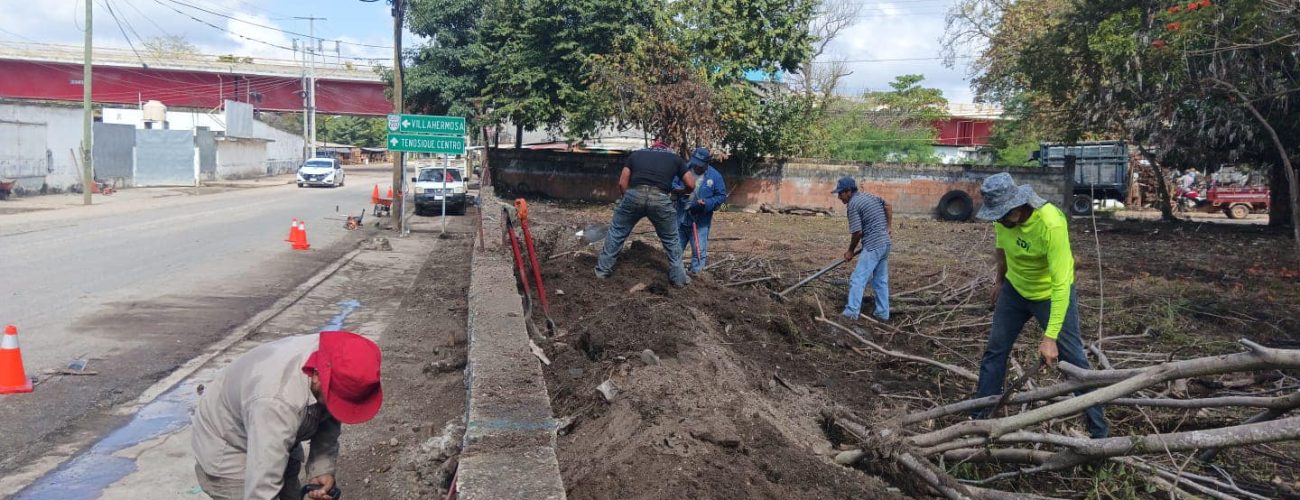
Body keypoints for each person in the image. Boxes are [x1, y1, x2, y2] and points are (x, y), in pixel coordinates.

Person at [972, 173, 1108, 438]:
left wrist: (1050, 337)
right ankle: (981, 418)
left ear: (1019, 205)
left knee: (1075, 360)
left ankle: (1099, 432)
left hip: (1050, 295)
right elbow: (1002, 249)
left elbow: (1061, 285)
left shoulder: (1050, 223)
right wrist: (1000, 281)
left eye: (1003, 215)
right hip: (1015, 290)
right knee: (995, 351)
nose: (999, 220)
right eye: (996, 215)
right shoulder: (1002, 219)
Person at [192, 331, 383, 499]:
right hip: (229, 445)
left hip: (270, 427)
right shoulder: (276, 401)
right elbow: (261, 490)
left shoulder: (339, 356)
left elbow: (330, 415)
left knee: (287, 485)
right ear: (317, 375)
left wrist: (321, 468)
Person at [595, 138, 696, 287]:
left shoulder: (636, 155)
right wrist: (680, 191)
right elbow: (691, 184)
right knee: (671, 240)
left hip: (634, 193)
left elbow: (622, 183)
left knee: (616, 232)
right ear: (666, 148)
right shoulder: (675, 159)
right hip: (661, 198)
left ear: (652, 146)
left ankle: (602, 272)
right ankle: (679, 279)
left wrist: (628, 200)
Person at [833, 176, 892, 322]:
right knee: (880, 281)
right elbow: (888, 206)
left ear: (848, 191)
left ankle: (851, 312)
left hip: (873, 245)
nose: (839, 197)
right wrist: (888, 228)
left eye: (840, 193)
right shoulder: (869, 196)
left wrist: (851, 251)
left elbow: (857, 232)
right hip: (885, 243)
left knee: (857, 279)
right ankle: (883, 313)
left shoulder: (853, 205)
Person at [671, 147, 728, 273]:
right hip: (680, 219)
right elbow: (672, 183)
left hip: (700, 222)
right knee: (674, 250)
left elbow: (721, 196)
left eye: (700, 164)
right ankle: (674, 274)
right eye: (695, 162)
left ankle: (696, 277)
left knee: (698, 251)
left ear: (707, 163)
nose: (696, 166)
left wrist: (707, 203)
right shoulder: (684, 170)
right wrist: (679, 190)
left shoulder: (715, 177)